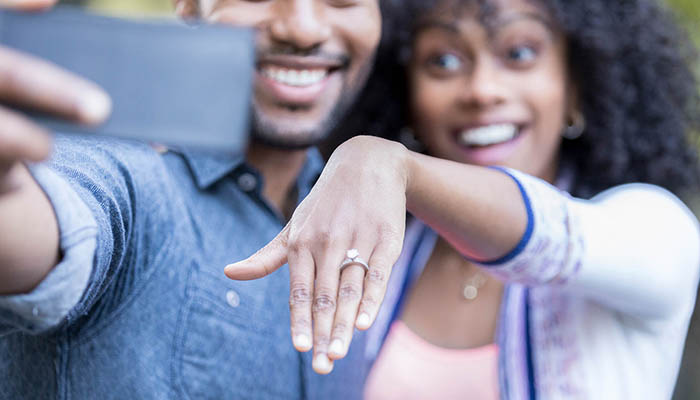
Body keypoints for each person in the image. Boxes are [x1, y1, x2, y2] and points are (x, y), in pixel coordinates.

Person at [224, 0, 700, 398]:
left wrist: (389, 162)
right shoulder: (367, 243)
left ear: (578, 85)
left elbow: (554, 235)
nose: (481, 91)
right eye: (443, 61)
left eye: (518, 53)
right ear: (405, 92)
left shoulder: (654, 229)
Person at [0, 0, 382, 398]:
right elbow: (45, 222)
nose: (303, 28)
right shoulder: (130, 168)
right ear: (186, 6)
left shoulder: (370, 210)